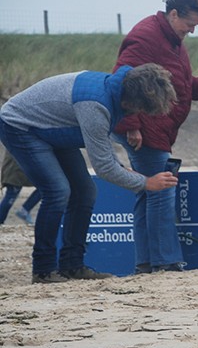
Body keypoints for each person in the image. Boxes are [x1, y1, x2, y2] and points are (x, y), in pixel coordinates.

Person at [0, 64, 179, 284]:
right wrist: (146, 183)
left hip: (55, 127)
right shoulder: (95, 105)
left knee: (85, 191)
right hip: (20, 125)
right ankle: (43, 269)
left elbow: (103, 147)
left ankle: (72, 266)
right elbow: (103, 168)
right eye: (141, 110)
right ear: (132, 102)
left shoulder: (116, 92)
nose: (139, 114)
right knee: (57, 192)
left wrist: (124, 168)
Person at [112, 0, 198, 274]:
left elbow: (178, 79)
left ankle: (147, 262)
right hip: (147, 128)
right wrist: (132, 125)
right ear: (174, 14)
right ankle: (166, 262)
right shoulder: (145, 36)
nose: (191, 32)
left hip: (159, 128)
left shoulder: (171, 39)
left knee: (147, 194)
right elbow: (123, 80)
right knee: (161, 192)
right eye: (189, 26)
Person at [0, 150, 41, 225]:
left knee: (46, 188)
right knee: (11, 194)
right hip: (15, 169)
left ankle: (25, 210)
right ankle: (24, 210)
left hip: (19, 167)